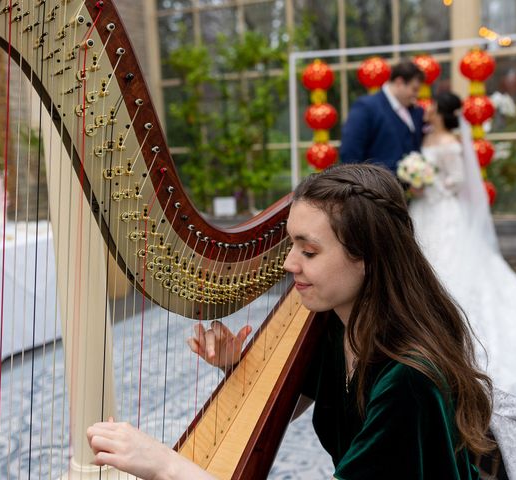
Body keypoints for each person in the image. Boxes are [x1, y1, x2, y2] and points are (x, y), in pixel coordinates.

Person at [88, 164, 494, 479]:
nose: (287, 263)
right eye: (290, 243)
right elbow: (291, 401)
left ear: (367, 257)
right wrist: (237, 366)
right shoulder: (338, 323)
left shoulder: (408, 379)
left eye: (310, 251)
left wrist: (164, 463)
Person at [409, 92, 516, 405]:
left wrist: (427, 180)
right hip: (423, 210)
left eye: (433, 105)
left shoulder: (449, 141)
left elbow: (458, 180)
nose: (428, 108)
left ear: (442, 111)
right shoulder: (427, 136)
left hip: (442, 211)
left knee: (450, 272)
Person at [339, 61, 425, 173]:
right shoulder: (366, 107)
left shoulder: (415, 111)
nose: (416, 95)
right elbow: (350, 150)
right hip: (377, 186)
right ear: (399, 82)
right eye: (414, 89)